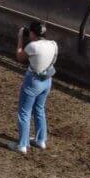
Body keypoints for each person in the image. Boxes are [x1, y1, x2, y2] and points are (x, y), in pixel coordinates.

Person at [10, 20, 58, 153]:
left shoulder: (33, 46)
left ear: (32, 33)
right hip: (47, 80)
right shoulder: (54, 44)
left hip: (33, 81)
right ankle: (41, 140)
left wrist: (20, 38)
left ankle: (22, 145)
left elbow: (20, 57)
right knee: (39, 109)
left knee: (24, 112)